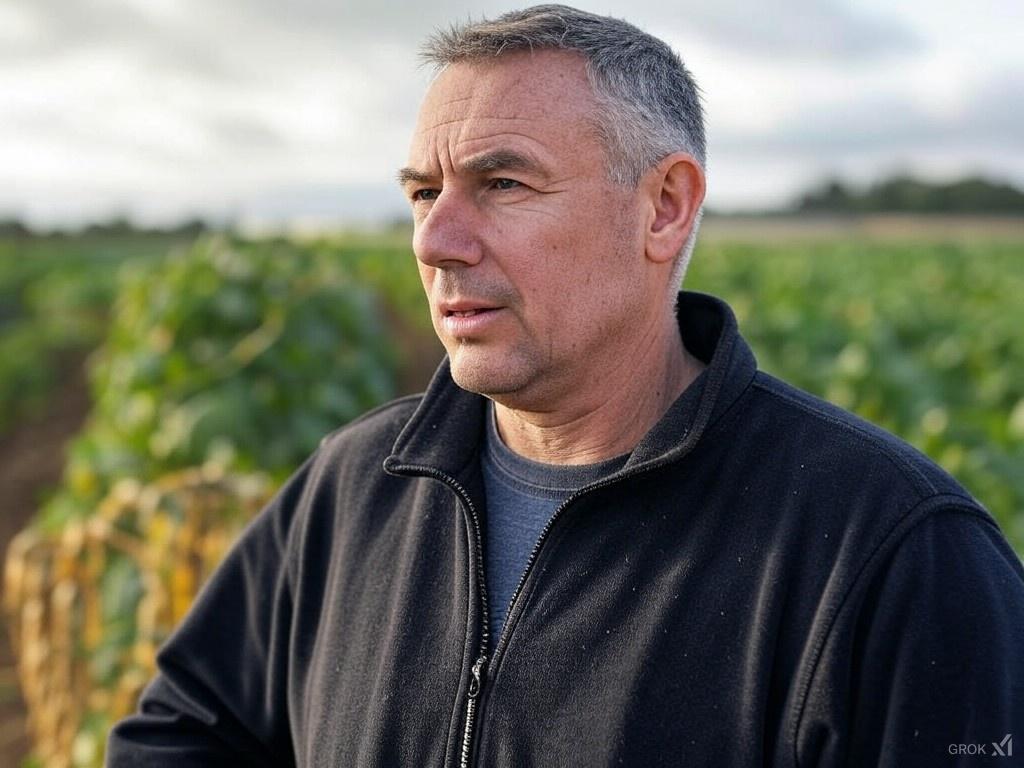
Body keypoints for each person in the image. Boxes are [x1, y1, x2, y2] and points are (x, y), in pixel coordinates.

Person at [107, 5, 1024, 767]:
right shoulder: (354, 485)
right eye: (423, 193)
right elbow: (183, 733)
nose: (434, 240)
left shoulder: (895, 553)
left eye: (503, 183)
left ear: (664, 208)